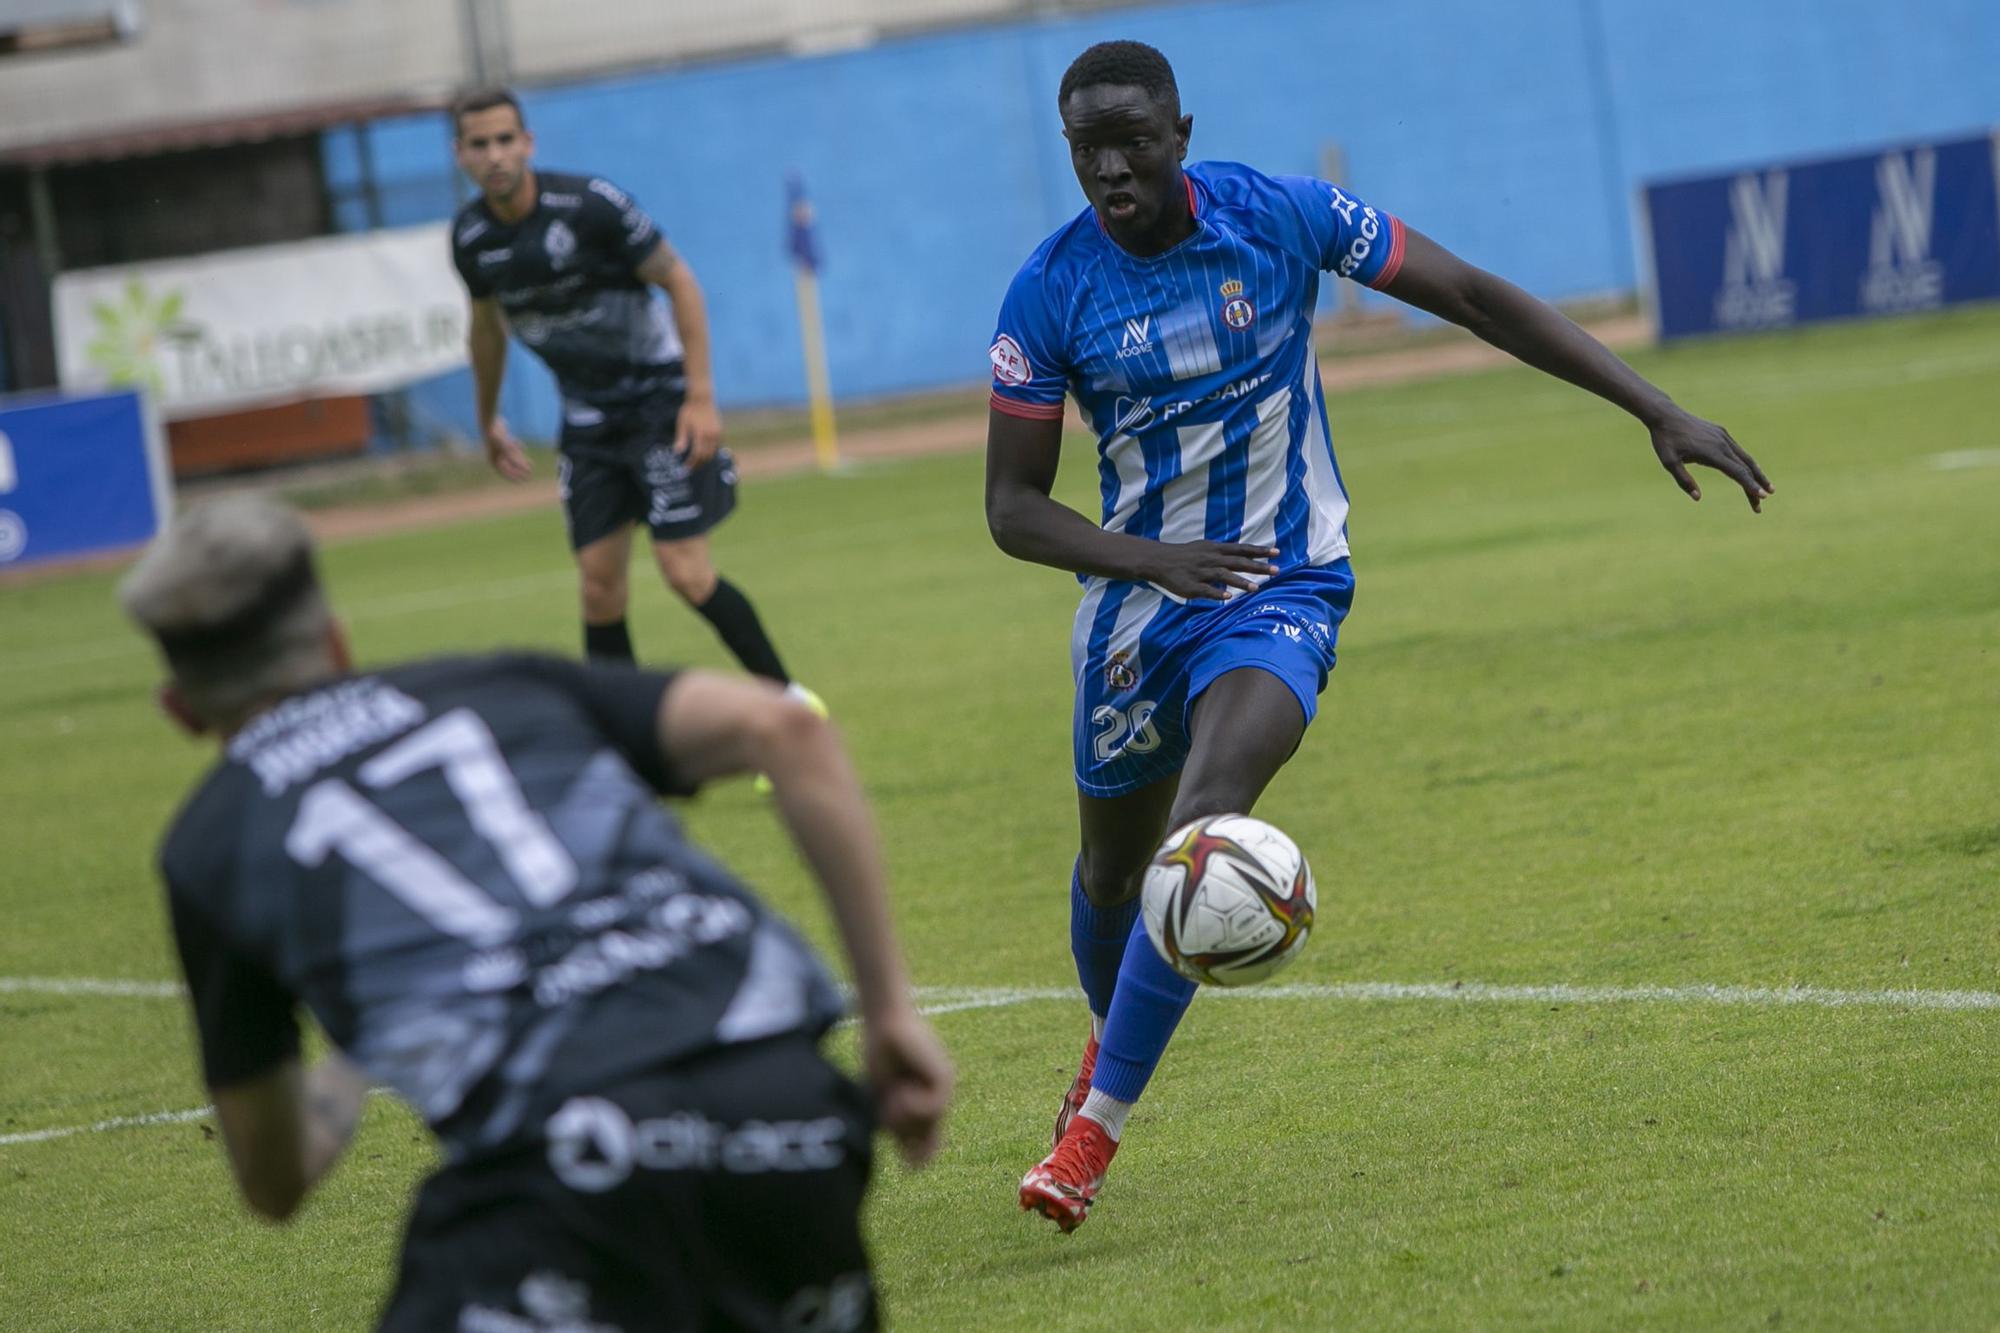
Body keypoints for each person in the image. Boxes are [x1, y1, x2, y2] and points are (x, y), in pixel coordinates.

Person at [986, 40, 1774, 1233]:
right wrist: (1151, 562)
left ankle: (1091, 1132)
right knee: (1111, 869)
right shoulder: (1047, 291)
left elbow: (1463, 292)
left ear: (1179, 134)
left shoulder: (1281, 218)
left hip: (1282, 585)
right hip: (1135, 606)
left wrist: (1651, 405)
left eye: (1132, 142)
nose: (1110, 169)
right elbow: (1012, 507)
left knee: (1207, 815)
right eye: (1086, 149)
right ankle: (1109, 1039)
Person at [119, 493, 952, 1329]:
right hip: (790, 1110)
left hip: (560, 1160)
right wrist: (886, 1010)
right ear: (335, 639)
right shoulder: (497, 681)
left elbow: (275, 1179)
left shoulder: (210, 841)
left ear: (181, 711)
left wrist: (353, 1047)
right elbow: (788, 729)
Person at [449, 87, 816, 716]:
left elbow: (679, 280)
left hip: (657, 404)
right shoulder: (472, 238)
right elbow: (485, 329)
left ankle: (791, 705)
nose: (496, 155)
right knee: (599, 588)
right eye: (480, 144)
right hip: (588, 420)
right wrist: (487, 420)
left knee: (685, 572)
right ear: (461, 155)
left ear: (528, 143)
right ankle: (621, 746)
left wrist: (699, 396)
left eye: (506, 139)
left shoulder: (590, 206)